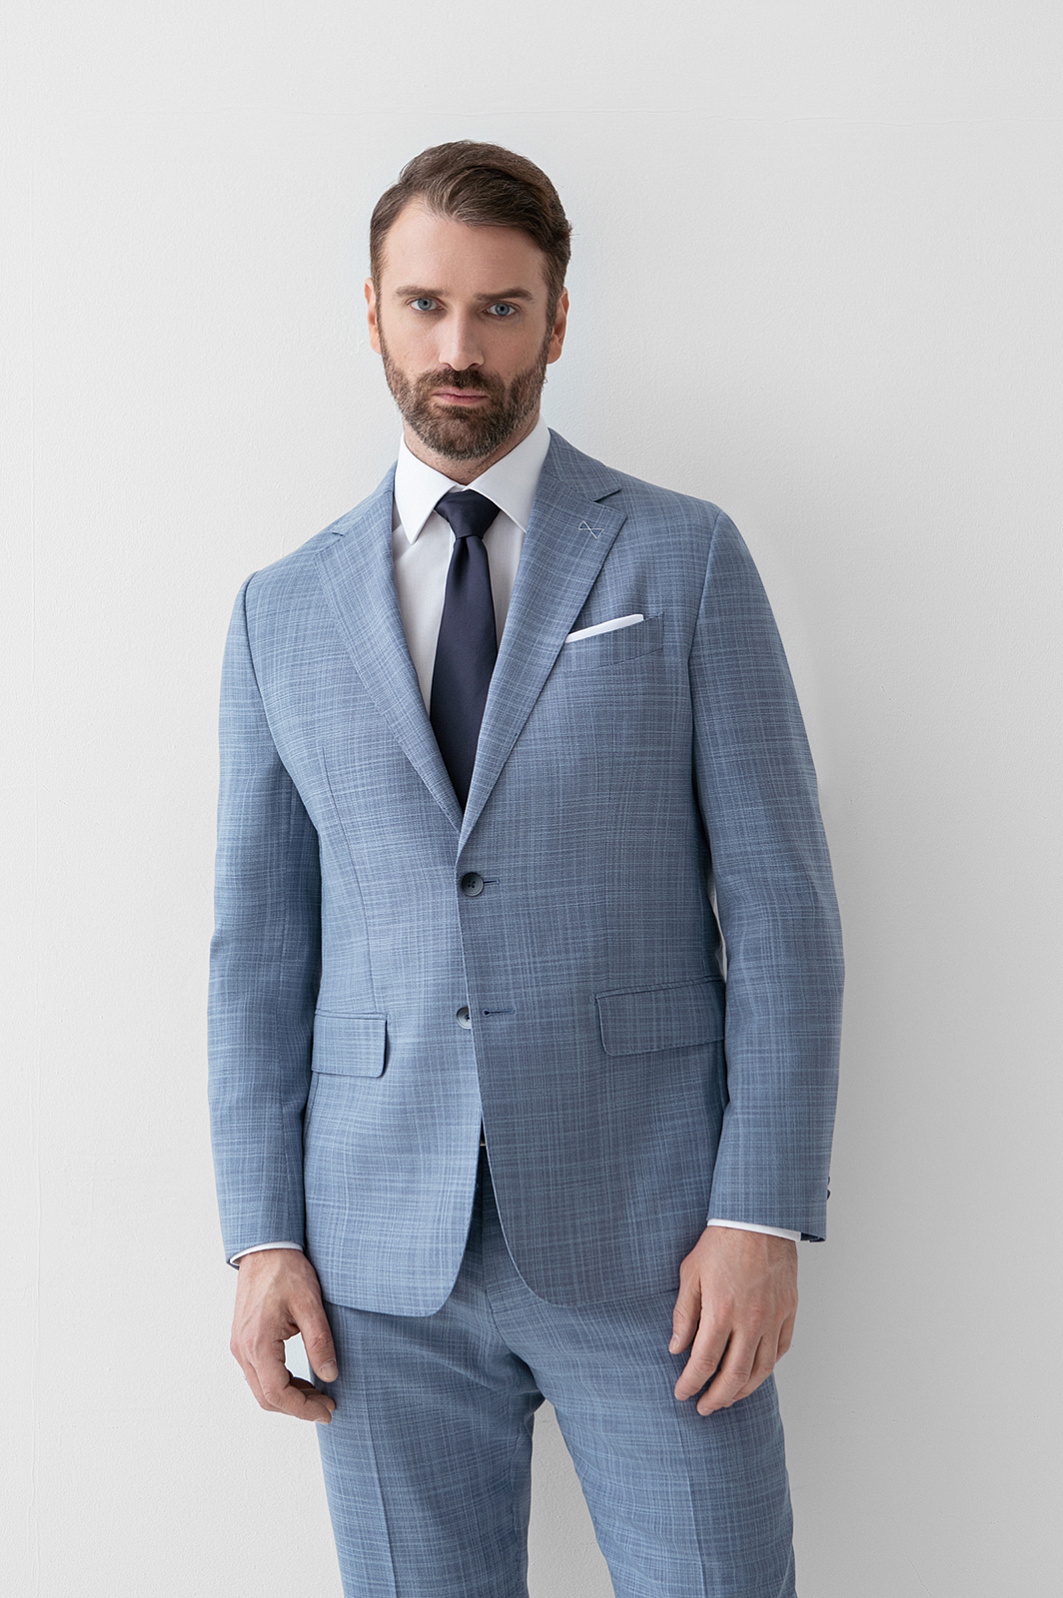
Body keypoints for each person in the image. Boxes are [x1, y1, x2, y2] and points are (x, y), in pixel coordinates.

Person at [208, 140, 844, 1598]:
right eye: (426, 304)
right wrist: (261, 1236)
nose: (460, 348)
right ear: (372, 315)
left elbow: (782, 916)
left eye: (500, 308)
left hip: (658, 1244)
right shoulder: (279, 611)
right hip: (377, 1261)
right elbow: (259, 952)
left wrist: (758, 1212)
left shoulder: (683, 559)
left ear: (557, 320)